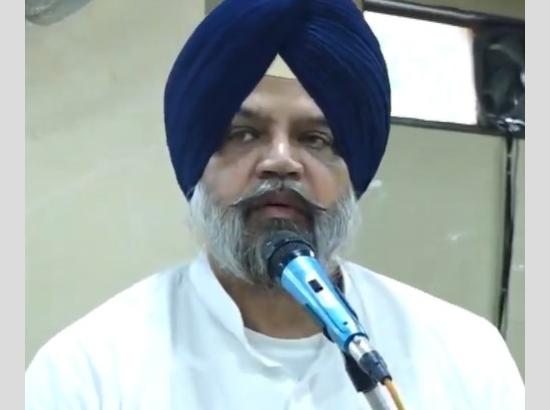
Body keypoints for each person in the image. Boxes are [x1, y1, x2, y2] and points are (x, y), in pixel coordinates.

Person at [25, 0, 524, 409]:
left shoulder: (466, 357)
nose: (281, 161)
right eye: (244, 134)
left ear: (354, 175)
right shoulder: (86, 371)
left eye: (316, 138)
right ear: (197, 164)